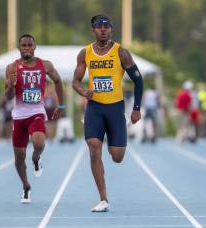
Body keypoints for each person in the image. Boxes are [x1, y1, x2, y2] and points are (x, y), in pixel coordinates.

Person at [72, 15, 143, 212]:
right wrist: (84, 92)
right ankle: (103, 199)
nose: (103, 30)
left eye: (106, 26)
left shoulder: (121, 52)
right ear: (93, 30)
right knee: (94, 148)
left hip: (115, 108)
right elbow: (75, 81)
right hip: (94, 108)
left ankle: (116, 140)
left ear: (111, 29)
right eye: (98, 27)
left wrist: (136, 108)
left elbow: (138, 80)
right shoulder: (84, 53)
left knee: (117, 156)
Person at [5, 34, 64, 203]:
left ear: (34, 47)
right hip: (19, 116)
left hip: (37, 113)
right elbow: (8, 96)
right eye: (23, 45)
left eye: (30, 45)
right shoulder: (11, 68)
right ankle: (26, 186)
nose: (26, 48)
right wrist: (11, 85)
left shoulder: (45, 65)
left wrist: (61, 106)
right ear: (19, 48)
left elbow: (58, 82)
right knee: (19, 157)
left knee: (39, 144)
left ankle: (36, 159)